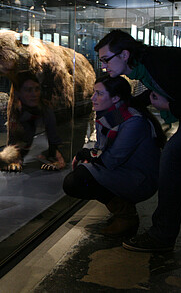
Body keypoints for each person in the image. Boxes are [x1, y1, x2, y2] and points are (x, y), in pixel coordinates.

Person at [95, 29, 181, 252]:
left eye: (106, 60)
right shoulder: (147, 66)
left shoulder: (159, 63)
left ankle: (162, 236)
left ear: (124, 55)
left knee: (173, 158)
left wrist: (170, 107)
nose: (104, 67)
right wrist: (111, 117)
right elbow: (149, 97)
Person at [63, 75, 165, 236]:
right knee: (83, 172)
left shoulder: (133, 122)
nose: (93, 98)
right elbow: (102, 150)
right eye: (94, 93)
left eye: (99, 94)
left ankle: (127, 217)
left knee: (77, 180)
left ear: (116, 98)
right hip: (127, 170)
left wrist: (88, 156)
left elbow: (110, 159)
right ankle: (123, 209)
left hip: (140, 179)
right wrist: (89, 156)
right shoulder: (113, 115)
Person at [4, 72, 65, 172]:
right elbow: (15, 138)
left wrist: (57, 156)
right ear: (19, 93)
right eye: (28, 90)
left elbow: (56, 137)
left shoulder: (47, 108)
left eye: (37, 89)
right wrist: (14, 157)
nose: (34, 94)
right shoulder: (17, 109)